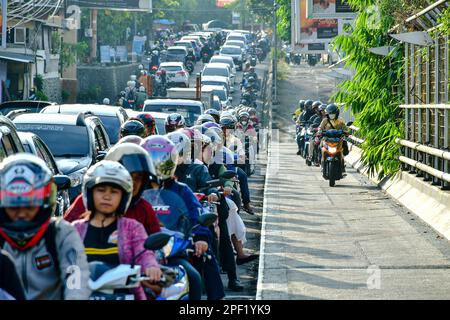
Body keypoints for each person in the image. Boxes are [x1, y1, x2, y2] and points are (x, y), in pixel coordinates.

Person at [140, 136, 225, 300]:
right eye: (153, 160)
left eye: (162, 160)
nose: (158, 165)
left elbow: (196, 214)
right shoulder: (135, 189)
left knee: (194, 276)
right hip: (140, 250)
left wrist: (201, 237)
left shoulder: (182, 190)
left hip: (174, 250)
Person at [0, 154, 91, 300]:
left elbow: (75, 279)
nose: (22, 214)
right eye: (14, 208)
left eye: (29, 207)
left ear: (45, 203)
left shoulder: (61, 232)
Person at [72, 160, 161, 300]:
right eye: (101, 190)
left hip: (124, 295)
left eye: (114, 192)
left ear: (123, 197)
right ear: (89, 193)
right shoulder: (75, 229)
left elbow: (144, 253)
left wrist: (151, 266)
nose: (107, 196)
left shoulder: (132, 228)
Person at [64, 143, 161, 236]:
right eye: (128, 175)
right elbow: (62, 236)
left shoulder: (144, 209)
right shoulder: (85, 202)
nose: (133, 182)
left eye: (138, 178)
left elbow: (157, 244)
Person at [319, 103, 349, 171]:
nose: (331, 115)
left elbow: (345, 128)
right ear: (327, 114)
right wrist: (319, 132)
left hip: (338, 139)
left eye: (333, 114)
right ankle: (321, 163)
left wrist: (346, 132)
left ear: (336, 113)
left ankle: (342, 166)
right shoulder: (325, 120)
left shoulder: (340, 120)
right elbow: (320, 128)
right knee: (320, 147)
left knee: (344, 145)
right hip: (326, 139)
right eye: (330, 114)